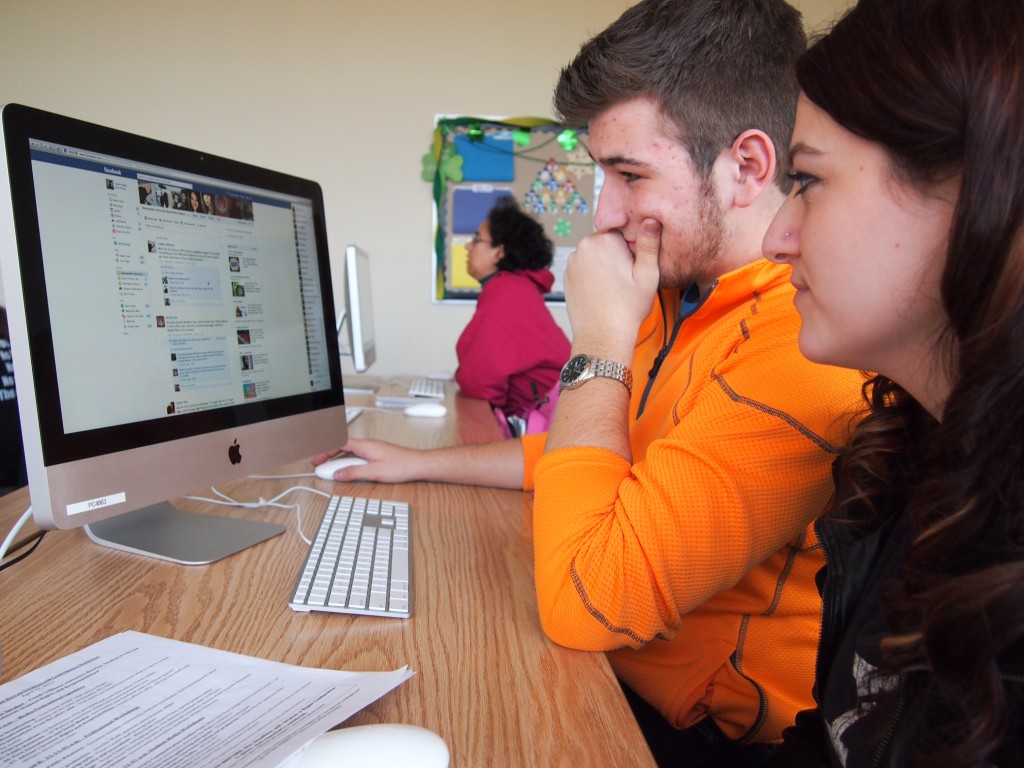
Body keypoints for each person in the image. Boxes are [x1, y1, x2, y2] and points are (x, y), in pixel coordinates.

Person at [316, 1, 865, 763]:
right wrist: (419, 462)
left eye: (629, 174)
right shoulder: (672, 293)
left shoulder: (801, 343)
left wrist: (601, 337)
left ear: (746, 166)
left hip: (701, 730)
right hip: (605, 668)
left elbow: (591, 603)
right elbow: (594, 463)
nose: (602, 213)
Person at [761, 1, 1024, 766]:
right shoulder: (907, 459)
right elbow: (832, 739)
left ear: (981, 190)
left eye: (807, 179)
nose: (778, 237)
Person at [454, 197, 570, 428]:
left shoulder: (507, 291)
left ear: (499, 252)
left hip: (545, 426)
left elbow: (479, 383)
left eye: (477, 239)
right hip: (550, 418)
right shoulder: (516, 288)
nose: (468, 246)